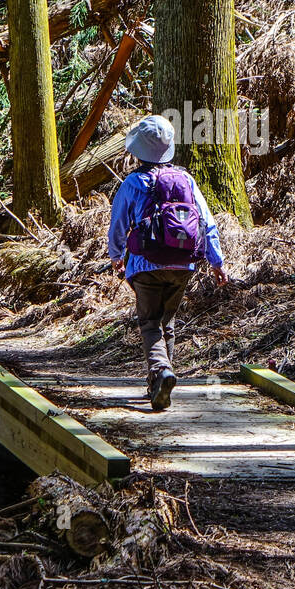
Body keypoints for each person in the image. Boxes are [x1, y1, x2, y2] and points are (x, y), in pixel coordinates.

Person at [108, 114, 228, 410]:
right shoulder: (186, 179)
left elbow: (119, 226)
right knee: (168, 322)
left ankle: (161, 371)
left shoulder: (133, 183)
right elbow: (207, 224)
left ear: (138, 150)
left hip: (145, 265)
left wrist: (116, 256)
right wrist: (217, 262)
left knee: (150, 323)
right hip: (183, 264)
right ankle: (161, 382)